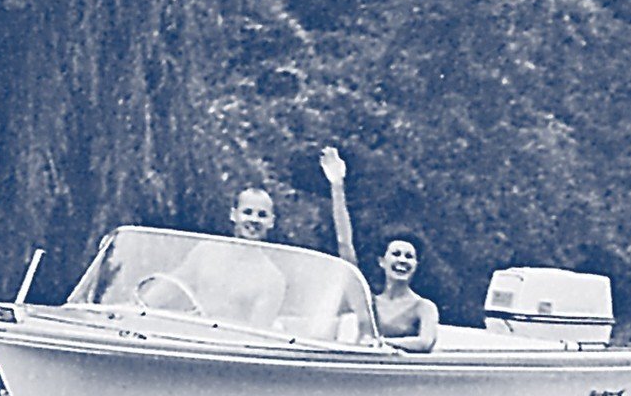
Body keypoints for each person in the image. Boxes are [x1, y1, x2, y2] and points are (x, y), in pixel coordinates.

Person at [320, 147, 439, 352]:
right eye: (396, 254)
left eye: (409, 256)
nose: (402, 260)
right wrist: (337, 185)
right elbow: (345, 245)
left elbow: (425, 342)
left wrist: (383, 344)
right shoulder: (369, 303)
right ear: (382, 261)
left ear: (416, 265)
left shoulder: (424, 307)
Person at [142, 187, 286, 328]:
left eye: (262, 215)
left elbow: (257, 334)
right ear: (233, 215)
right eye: (247, 212)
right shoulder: (206, 251)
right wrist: (139, 307)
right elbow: (170, 287)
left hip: (229, 347)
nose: (254, 220)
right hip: (192, 333)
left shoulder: (273, 279)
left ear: (271, 222)